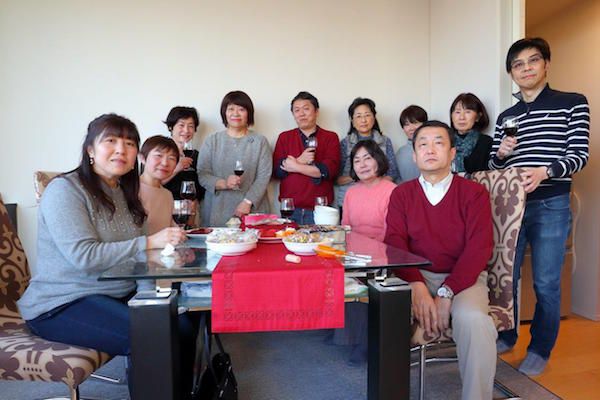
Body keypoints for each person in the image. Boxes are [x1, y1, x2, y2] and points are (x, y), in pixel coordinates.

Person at [16, 114, 195, 398]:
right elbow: (84, 256)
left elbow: (140, 260)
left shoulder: (126, 193)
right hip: (63, 302)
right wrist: (148, 242)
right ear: (90, 149)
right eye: (110, 141)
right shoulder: (65, 190)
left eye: (129, 143)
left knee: (183, 324)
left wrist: (149, 299)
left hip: (115, 292)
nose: (121, 150)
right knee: (151, 335)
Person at [490, 37, 590, 376]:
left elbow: (579, 155)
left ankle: (539, 349)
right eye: (518, 64)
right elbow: (494, 165)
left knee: (546, 282)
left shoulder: (572, 102)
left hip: (551, 202)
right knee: (505, 278)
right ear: (511, 73)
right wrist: (501, 153)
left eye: (533, 60)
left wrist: (545, 171)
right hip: (510, 207)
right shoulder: (507, 116)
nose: (526, 68)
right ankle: (506, 335)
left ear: (546, 64)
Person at [385, 121, 496, 400]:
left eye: (438, 142)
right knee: (385, 313)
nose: (430, 149)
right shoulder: (401, 194)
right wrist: (417, 286)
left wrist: (448, 291)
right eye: (422, 144)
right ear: (414, 155)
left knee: (474, 321)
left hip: (463, 277)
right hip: (414, 275)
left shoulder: (473, 193)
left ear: (452, 152)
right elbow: (395, 244)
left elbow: (479, 247)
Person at [198, 91, 272, 226]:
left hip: (253, 211)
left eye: (241, 109)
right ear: (224, 113)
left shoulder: (260, 141)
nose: (236, 114)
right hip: (217, 210)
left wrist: (247, 202)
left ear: (248, 113)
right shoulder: (212, 141)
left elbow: (263, 177)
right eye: (231, 109)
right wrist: (224, 183)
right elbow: (203, 174)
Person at [272, 91, 341, 224]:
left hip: (321, 209)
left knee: (322, 239)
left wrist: (295, 165)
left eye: (306, 109)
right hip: (290, 209)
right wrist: (300, 160)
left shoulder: (330, 137)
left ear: (316, 112)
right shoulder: (284, 137)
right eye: (297, 110)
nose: (301, 114)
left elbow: (328, 171)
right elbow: (277, 171)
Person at [336, 98, 399, 212]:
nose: (363, 120)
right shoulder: (345, 143)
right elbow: (337, 178)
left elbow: (392, 172)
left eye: (367, 115)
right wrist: (360, 176)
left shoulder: (385, 141)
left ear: (374, 118)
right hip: (350, 200)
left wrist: (374, 185)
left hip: (379, 199)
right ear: (352, 121)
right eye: (358, 116)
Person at [341, 140, 396, 242]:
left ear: (378, 160)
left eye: (367, 158)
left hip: (382, 248)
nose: (362, 165)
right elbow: (346, 227)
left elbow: (389, 232)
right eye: (357, 161)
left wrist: (366, 247)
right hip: (353, 247)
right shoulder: (350, 192)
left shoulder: (393, 191)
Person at [162, 106, 205, 206]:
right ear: (171, 127)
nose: (186, 130)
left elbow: (202, 185)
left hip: (190, 209)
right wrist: (177, 169)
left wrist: (196, 201)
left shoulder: (196, 155)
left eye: (191, 126)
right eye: (181, 125)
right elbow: (152, 183)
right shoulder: (160, 152)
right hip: (163, 206)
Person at [139, 135, 179, 234]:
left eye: (171, 158)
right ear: (142, 158)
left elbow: (170, 229)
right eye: (158, 156)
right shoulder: (130, 190)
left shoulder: (167, 195)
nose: (165, 163)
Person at [450, 93, 492, 173]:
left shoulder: (487, 142)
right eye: (457, 112)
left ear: (478, 117)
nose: (462, 117)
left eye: (467, 112)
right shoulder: (446, 141)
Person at [395, 105, 427, 182]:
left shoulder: (433, 149)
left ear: (425, 124)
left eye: (415, 123)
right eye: (407, 124)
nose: (411, 128)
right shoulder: (400, 153)